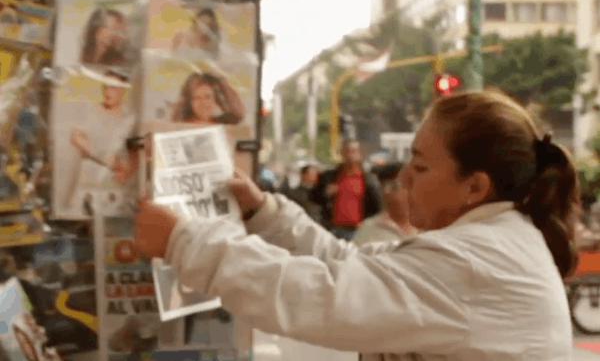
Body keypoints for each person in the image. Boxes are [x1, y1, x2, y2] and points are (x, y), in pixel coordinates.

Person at [134, 89, 581, 360]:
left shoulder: (475, 263)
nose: (403, 178)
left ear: (474, 187)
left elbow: (324, 296)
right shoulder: (487, 245)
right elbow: (352, 265)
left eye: (421, 167)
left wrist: (183, 241)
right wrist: (261, 213)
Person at [59, 69, 137, 212]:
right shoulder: (91, 111)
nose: (108, 92)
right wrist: (107, 159)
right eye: (105, 86)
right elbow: (76, 138)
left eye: (113, 87)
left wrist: (122, 167)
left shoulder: (130, 120)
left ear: (123, 90)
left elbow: (131, 156)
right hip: (86, 183)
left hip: (112, 187)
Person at [311, 139, 383, 240]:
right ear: (342, 154)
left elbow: (377, 206)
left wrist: (367, 225)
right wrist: (325, 193)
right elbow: (313, 197)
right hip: (334, 230)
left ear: (359, 154)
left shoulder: (368, 179)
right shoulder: (329, 177)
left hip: (358, 231)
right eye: (347, 151)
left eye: (353, 151)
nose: (350, 155)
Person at [352, 162, 417, 245]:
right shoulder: (369, 229)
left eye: (395, 186)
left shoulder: (428, 228)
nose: (386, 192)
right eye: (383, 186)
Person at [170, 72, 244, 125]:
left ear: (216, 99)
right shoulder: (181, 124)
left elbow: (238, 114)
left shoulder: (220, 123)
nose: (203, 103)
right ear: (189, 102)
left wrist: (222, 83)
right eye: (197, 98)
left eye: (208, 97)